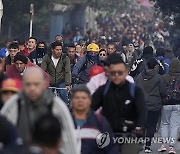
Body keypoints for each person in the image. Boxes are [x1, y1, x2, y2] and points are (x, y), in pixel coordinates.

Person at [1, 67, 79, 154]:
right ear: (22, 84)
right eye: (28, 84)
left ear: (44, 84)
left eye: (36, 84)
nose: (32, 88)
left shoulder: (56, 106)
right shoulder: (14, 104)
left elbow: (69, 140)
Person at [92, 53, 147, 154]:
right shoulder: (103, 90)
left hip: (130, 135)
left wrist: (140, 126)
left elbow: (142, 110)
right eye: (113, 73)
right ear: (109, 73)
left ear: (126, 72)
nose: (116, 75)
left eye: (120, 73)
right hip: (108, 135)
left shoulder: (135, 90)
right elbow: (90, 107)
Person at [71, 85, 120, 154]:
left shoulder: (100, 122)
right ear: (72, 100)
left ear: (90, 101)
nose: (80, 101)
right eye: (77, 97)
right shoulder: (64, 122)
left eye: (84, 98)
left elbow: (111, 148)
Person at [136, 58, 165, 153]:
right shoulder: (158, 77)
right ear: (156, 66)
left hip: (141, 104)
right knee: (151, 126)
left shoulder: (140, 76)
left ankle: (140, 144)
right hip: (154, 105)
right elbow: (162, 91)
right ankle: (148, 146)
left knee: (142, 124)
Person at [158, 58, 180, 154]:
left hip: (166, 104)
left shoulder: (164, 77)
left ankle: (163, 144)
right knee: (174, 126)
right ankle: (171, 147)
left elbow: (162, 91)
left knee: (164, 124)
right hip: (178, 104)